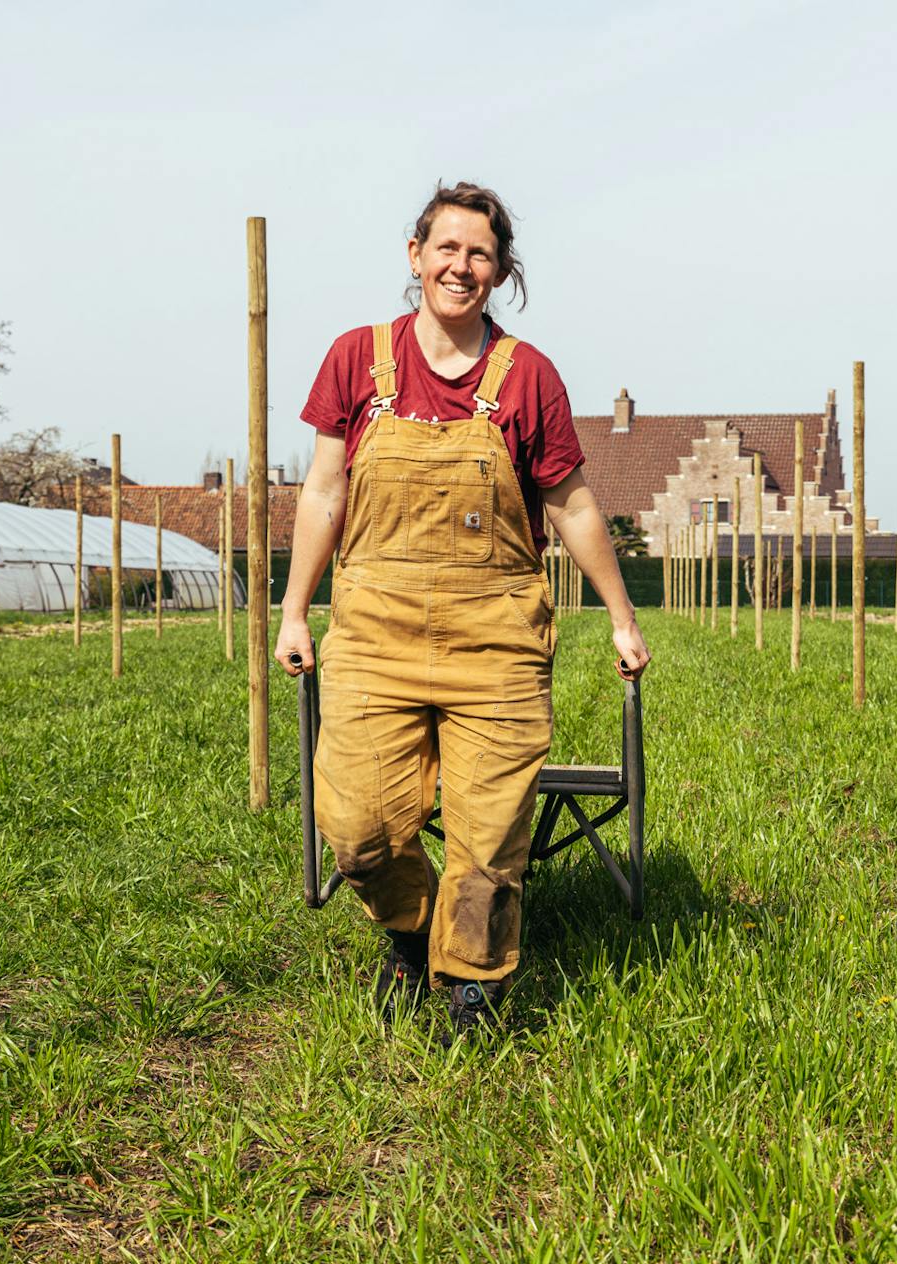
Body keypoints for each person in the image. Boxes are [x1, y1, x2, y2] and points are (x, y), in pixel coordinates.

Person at [275, 182, 651, 1037]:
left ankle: (471, 987)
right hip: (374, 630)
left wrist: (623, 617)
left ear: (500, 271)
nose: (461, 266)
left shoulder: (529, 378)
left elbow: (574, 505)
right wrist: (296, 609)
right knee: (359, 829)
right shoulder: (355, 360)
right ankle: (410, 932)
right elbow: (324, 492)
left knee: (487, 842)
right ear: (415, 255)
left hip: (496, 641)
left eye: (480, 254)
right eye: (447, 248)